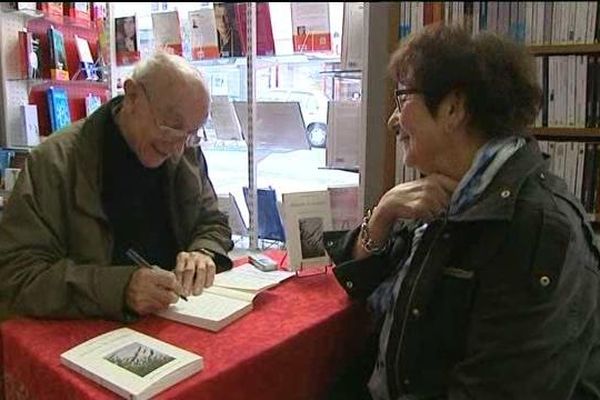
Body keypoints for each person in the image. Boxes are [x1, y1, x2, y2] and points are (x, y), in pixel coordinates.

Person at [326, 24, 600, 399]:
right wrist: (384, 212)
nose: (393, 120)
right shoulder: (451, 193)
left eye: (402, 98)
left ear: (454, 108)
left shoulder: (537, 230)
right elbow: (356, 280)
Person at [0, 51, 234, 322]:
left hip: (176, 317)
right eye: (171, 126)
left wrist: (203, 252)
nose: (177, 149)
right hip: (89, 335)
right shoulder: (54, 162)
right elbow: (16, 275)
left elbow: (212, 222)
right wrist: (119, 288)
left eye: (193, 133)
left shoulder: (185, 150)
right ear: (133, 96)